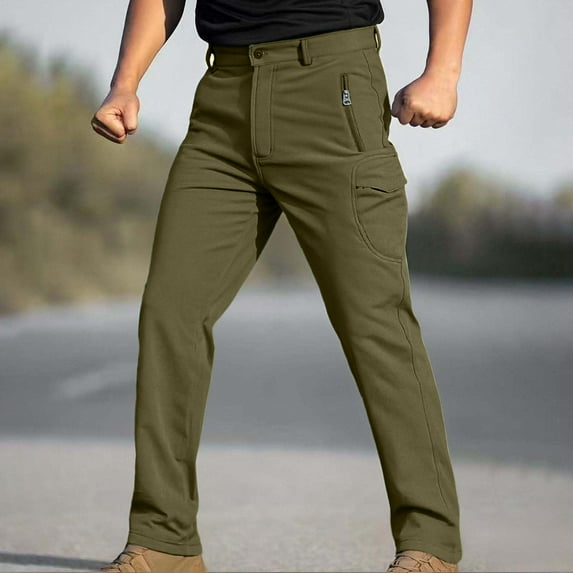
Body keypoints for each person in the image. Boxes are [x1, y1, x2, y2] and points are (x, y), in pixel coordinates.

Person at [91, 0, 472, 571]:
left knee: (375, 322)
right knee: (171, 312)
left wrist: (443, 70)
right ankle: (165, 539)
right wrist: (125, 83)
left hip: (333, 86)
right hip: (223, 101)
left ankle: (431, 542)